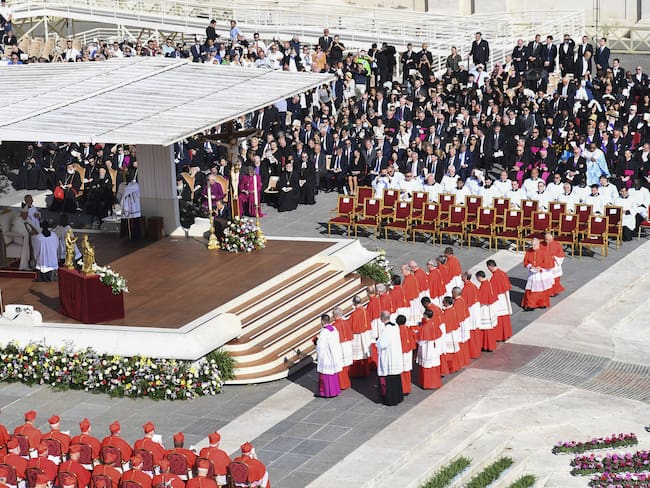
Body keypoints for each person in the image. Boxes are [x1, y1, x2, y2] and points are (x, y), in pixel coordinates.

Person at [376, 311, 404, 406]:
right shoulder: (395, 326)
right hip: (395, 355)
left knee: (389, 379)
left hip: (388, 358)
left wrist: (377, 343)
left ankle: (390, 399)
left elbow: (383, 344)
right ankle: (398, 397)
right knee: (395, 378)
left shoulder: (386, 329)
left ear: (382, 318)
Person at [521, 237, 554, 311]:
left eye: (534, 245)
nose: (533, 247)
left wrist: (541, 269)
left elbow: (549, 264)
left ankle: (542, 303)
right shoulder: (529, 251)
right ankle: (531, 305)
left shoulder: (544, 252)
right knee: (531, 290)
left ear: (538, 244)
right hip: (532, 273)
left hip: (541, 274)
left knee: (542, 289)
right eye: (532, 245)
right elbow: (526, 262)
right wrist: (530, 266)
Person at [315, 313, 344, 398]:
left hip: (326, 356)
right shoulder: (334, 329)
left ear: (322, 322)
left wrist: (316, 343)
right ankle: (335, 390)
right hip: (334, 355)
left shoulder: (324, 332)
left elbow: (320, 347)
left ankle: (326, 392)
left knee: (326, 375)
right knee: (333, 374)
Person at [415, 308, 443, 389]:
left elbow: (421, 340)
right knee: (434, 365)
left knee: (427, 366)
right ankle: (435, 383)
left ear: (425, 315)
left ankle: (427, 384)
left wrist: (416, 336)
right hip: (434, 348)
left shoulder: (425, 327)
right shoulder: (434, 324)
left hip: (427, 348)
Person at [486, 259, 513, 341]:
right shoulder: (502, 272)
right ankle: (507, 334)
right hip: (504, 297)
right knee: (505, 317)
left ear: (490, 267)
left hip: (499, 299)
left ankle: (500, 336)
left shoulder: (495, 277)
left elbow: (492, 290)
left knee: (499, 317)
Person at [348, 295, 372, 378]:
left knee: (357, 355)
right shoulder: (364, 310)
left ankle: (357, 373)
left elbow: (350, 325)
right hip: (364, 335)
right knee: (363, 354)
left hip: (357, 336)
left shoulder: (355, 313)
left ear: (354, 303)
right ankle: (365, 372)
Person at [476, 271, 498, 352]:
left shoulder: (484, 285)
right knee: (490, 328)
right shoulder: (488, 283)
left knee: (486, 328)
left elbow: (482, 299)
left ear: (479, 277)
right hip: (490, 308)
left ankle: (487, 346)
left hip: (485, 309)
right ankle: (489, 345)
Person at [331, 307, 353, 390]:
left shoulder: (334, 326)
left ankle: (343, 384)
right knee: (346, 366)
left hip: (340, 346)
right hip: (347, 345)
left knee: (340, 366)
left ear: (334, 315)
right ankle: (347, 382)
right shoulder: (346, 322)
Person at [118, 172, 141, 240]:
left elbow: (126, 190)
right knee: (125, 220)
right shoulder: (121, 185)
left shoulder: (135, 185)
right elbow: (119, 195)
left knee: (134, 219)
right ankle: (125, 234)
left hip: (133, 205)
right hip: (125, 204)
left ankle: (135, 234)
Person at [397, 314, 416, 395]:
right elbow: (414, 337)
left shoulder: (397, 331)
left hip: (401, 352)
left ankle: (403, 389)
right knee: (407, 370)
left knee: (401, 371)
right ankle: (408, 388)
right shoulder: (408, 329)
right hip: (409, 352)